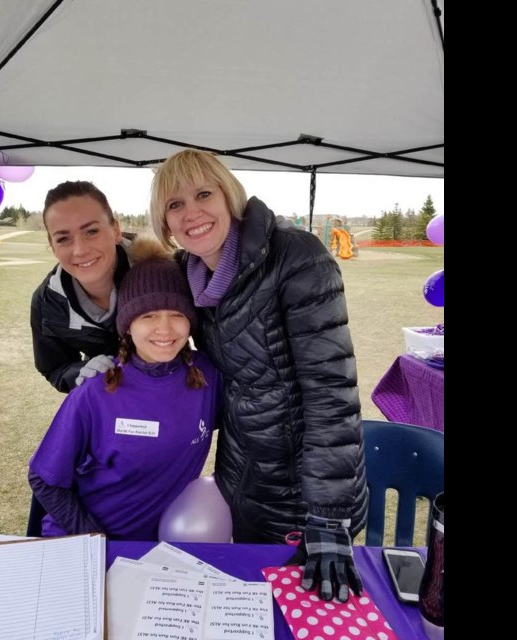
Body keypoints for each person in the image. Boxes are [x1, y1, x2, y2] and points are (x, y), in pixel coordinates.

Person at [149, 150, 367, 602]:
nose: (191, 213)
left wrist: (326, 516)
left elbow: (332, 392)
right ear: (165, 222)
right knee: (250, 600)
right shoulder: (188, 275)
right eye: (174, 204)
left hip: (305, 492)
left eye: (203, 194)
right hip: (242, 477)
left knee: (308, 609)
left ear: (229, 196)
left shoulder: (295, 256)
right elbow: (120, 285)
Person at [28, 237, 222, 540]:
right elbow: (44, 479)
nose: (165, 329)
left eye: (177, 314)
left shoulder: (207, 375)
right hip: (79, 542)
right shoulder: (97, 390)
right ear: (127, 325)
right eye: (148, 316)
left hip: (152, 550)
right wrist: (93, 539)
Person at [30, 181, 130, 393]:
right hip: (105, 405)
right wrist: (83, 371)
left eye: (91, 231)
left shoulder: (161, 270)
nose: (80, 250)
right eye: (64, 238)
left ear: (116, 230)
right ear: (52, 245)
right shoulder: (47, 302)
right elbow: (55, 368)